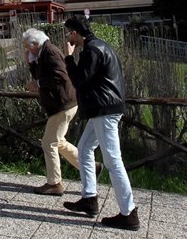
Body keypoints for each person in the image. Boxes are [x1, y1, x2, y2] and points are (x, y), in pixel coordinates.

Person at [61, 17, 139, 231]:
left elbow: (78, 80)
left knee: (113, 161)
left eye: (69, 34)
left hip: (104, 111)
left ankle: (129, 213)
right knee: (85, 149)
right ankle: (89, 199)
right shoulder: (102, 46)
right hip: (103, 110)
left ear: (76, 33)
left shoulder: (91, 51)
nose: (68, 37)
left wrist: (68, 58)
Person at [23, 28, 103, 196]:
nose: (26, 49)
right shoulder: (43, 53)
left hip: (63, 104)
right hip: (65, 104)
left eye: (28, 46)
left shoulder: (50, 52)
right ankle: (91, 166)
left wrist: (37, 84)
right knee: (58, 141)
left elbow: (61, 76)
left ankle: (55, 183)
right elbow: (43, 75)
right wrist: (32, 63)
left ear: (36, 44)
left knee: (48, 142)